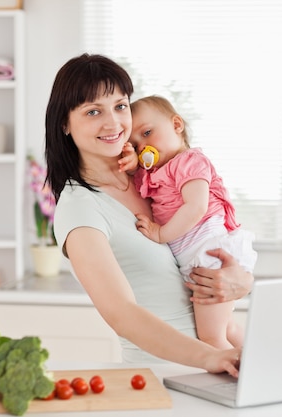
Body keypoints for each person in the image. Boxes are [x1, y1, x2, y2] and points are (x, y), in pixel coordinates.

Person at [45, 53, 253, 377]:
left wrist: (240, 281)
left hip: (217, 372)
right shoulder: (79, 208)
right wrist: (209, 357)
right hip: (164, 379)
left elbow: (202, 253)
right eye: (93, 111)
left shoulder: (152, 180)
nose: (113, 123)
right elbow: (122, 314)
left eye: (120, 106)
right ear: (64, 124)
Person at [118, 95, 257, 350]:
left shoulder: (189, 161)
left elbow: (196, 206)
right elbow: (134, 179)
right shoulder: (154, 173)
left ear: (176, 125)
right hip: (197, 258)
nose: (143, 147)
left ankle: (244, 383)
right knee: (226, 329)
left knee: (212, 338)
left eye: (147, 133)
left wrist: (161, 234)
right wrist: (131, 163)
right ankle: (261, 367)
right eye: (136, 144)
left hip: (209, 254)